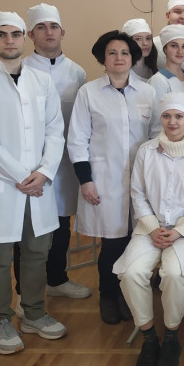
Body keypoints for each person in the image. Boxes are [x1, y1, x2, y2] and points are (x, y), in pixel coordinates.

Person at [0, 11, 67, 354]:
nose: (9, 40)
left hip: (38, 184)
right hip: (1, 187)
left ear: (24, 38)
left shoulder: (41, 81)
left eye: (15, 34)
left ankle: (33, 312)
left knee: (37, 253)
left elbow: (55, 130)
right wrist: (23, 176)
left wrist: (45, 171)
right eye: (1, 34)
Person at [114, 93, 184, 366]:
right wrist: (151, 226)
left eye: (179, 116)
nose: (173, 122)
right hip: (150, 229)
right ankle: (148, 337)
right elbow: (137, 193)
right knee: (131, 273)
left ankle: (171, 336)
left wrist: (180, 230)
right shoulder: (146, 151)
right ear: (161, 118)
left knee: (173, 273)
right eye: (167, 116)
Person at [67, 30, 156, 325]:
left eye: (125, 53)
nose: (119, 58)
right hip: (104, 180)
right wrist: (85, 180)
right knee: (113, 242)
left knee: (136, 239)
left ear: (133, 58)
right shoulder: (89, 93)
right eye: (112, 53)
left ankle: (128, 295)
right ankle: (108, 295)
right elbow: (77, 139)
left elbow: (157, 134)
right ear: (102, 59)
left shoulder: (147, 92)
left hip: (142, 179)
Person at [13, 3, 90, 308]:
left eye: (53, 27)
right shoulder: (20, 70)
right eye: (41, 27)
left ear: (62, 32)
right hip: (30, 163)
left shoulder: (77, 72)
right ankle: (23, 292)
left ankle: (57, 280)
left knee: (60, 225)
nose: (49, 32)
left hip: (65, 163)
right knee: (28, 229)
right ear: (30, 35)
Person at [147, 24, 184, 136]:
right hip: (168, 143)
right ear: (165, 48)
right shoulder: (159, 81)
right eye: (174, 46)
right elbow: (157, 123)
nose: (180, 51)